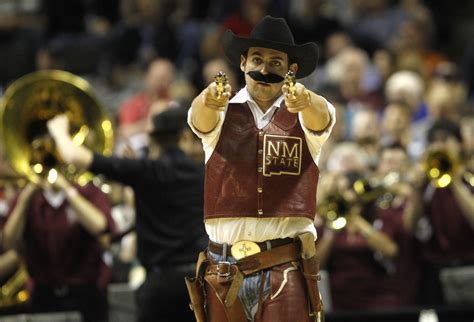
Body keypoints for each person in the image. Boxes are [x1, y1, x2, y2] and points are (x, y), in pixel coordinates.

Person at [188, 16, 335, 322]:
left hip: (285, 267)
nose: (264, 70)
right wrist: (206, 100)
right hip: (222, 268)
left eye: (275, 63)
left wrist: (306, 100)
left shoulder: (308, 109)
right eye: (257, 59)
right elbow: (199, 119)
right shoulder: (219, 107)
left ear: (290, 70)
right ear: (242, 63)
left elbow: (322, 117)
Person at [47, 106, 207, 322]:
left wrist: (58, 131)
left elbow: (74, 155)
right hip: (198, 284)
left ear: (154, 140)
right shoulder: (203, 173)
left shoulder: (145, 170)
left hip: (159, 288)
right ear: (185, 136)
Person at [2, 172, 115, 322]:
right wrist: (24, 199)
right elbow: (9, 242)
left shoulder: (88, 191)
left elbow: (100, 227)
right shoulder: (30, 196)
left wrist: (68, 190)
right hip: (44, 294)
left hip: (85, 293)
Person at [404, 119, 474, 305]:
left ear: (460, 144)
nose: (439, 145)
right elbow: (409, 226)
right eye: (434, 141)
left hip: (470, 264)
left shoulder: (470, 178)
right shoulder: (427, 182)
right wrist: (416, 191)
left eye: (445, 140)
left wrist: (456, 180)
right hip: (436, 269)